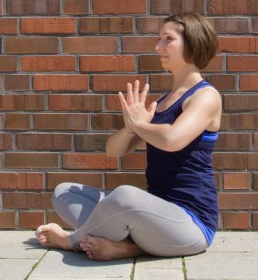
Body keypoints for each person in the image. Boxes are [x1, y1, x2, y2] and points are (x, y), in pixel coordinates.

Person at [35, 12, 221, 261]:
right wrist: (132, 127)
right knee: (65, 191)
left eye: (168, 39)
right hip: (150, 216)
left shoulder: (206, 96)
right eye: (159, 39)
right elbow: (114, 150)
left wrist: (140, 124)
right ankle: (128, 246)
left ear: (193, 42)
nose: (159, 46)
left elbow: (172, 139)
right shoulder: (163, 102)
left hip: (191, 224)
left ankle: (71, 241)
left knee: (125, 196)